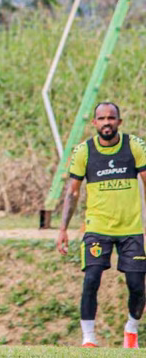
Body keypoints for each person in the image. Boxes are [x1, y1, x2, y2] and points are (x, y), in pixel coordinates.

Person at [56, 102, 146, 348]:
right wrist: (63, 229)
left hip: (131, 229)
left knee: (137, 285)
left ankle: (131, 329)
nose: (107, 122)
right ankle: (88, 338)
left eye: (111, 118)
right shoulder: (84, 151)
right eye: (102, 118)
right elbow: (73, 192)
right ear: (94, 123)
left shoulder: (134, 146)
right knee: (91, 279)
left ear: (119, 122)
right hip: (97, 228)